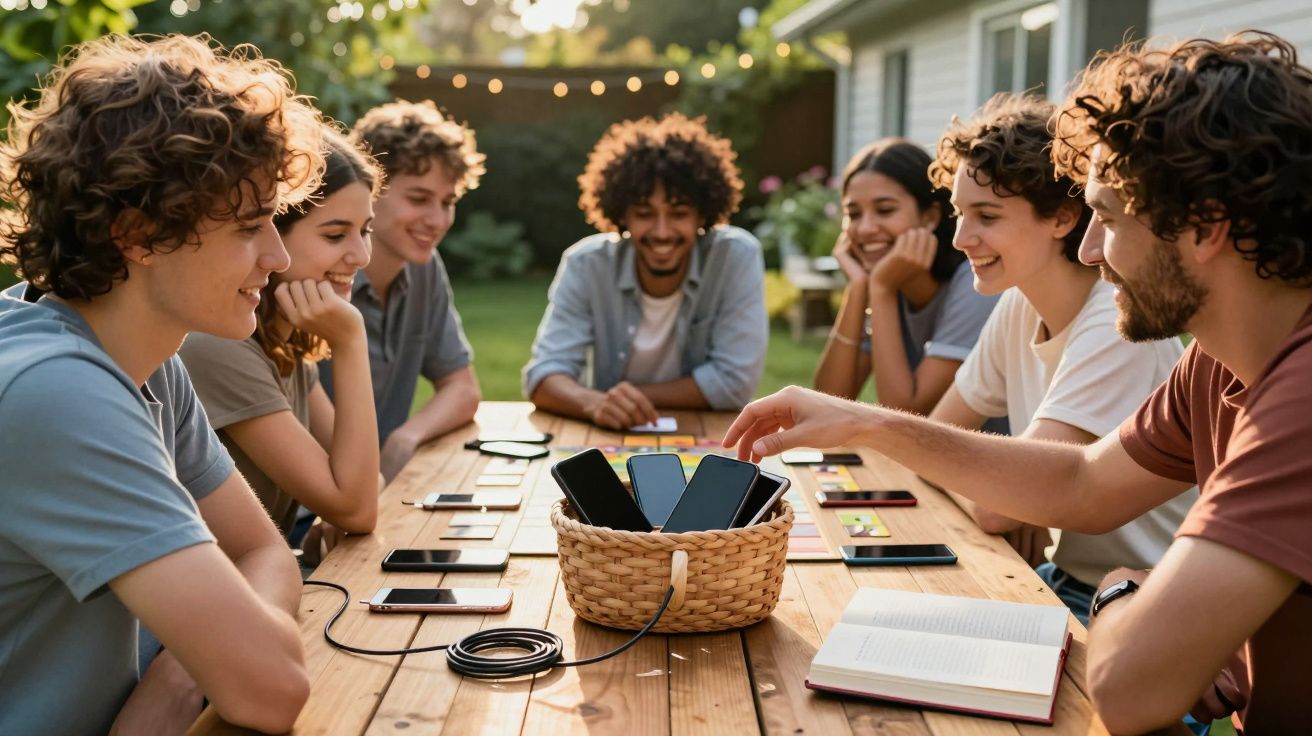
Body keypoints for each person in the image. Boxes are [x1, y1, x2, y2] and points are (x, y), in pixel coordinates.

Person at [723, 32, 1312, 733]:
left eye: (1108, 218)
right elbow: (1082, 483)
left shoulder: (1301, 396)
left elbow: (1127, 691)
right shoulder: (1214, 363)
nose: (1089, 249)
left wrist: (1121, 590)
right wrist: (867, 422)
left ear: (1206, 225)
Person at [0, 34, 322, 734]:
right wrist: (224, 659)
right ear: (138, 235)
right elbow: (272, 688)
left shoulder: (147, 359)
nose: (278, 256)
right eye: (249, 226)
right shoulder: (56, 392)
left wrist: (179, 676)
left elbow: (264, 550)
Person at [924, 93, 1194, 624]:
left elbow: (991, 501)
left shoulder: (1114, 320)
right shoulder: (1019, 303)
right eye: (959, 213)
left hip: (1140, 602)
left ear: (1063, 218)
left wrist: (1014, 494)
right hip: (1067, 577)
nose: (960, 238)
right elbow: (937, 436)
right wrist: (1010, 491)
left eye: (986, 216)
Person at [179, 129, 382, 562]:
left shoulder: (284, 344)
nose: (361, 255)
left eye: (365, 230)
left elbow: (367, 485)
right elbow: (357, 507)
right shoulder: (222, 347)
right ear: (272, 236)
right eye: (335, 235)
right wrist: (350, 340)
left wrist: (338, 510)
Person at [523, 112, 767, 429]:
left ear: (702, 215)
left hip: (708, 434)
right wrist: (594, 403)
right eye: (644, 213)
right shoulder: (586, 265)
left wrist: (625, 398)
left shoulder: (734, 257)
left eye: (679, 213)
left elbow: (733, 383)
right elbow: (543, 376)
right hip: (611, 436)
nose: (662, 232)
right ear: (622, 215)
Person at [320, 99, 484, 482]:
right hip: (314, 497)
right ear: (370, 190)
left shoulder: (424, 269)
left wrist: (404, 439)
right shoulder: (319, 274)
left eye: (448, 202)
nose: (437, 220)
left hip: (381, 484)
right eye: (419, 199)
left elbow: (462, 388)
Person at [813, 138, 1003, 433]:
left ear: (930, 217)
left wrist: (881, 290)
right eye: (854, 214)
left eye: (885, 210)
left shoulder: (976, 284)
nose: (865, 228)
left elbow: (908, 417)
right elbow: (825, 405)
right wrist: (858, 288)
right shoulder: (889, 279)